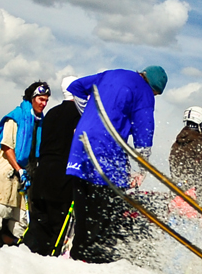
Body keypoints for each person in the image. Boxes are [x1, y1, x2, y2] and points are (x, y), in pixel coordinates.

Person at [65, 67, 166, 263]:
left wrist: (88, 115)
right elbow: (144, 133)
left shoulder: (109, 74)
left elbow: (75, 87)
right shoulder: (144, 93)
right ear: (154, 88)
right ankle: (95, 267)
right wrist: (142, 169)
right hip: (107, 152)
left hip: (79, 148)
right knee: (104, 220)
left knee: (83, 217)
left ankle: (76, 261)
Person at [0, 81, 49, 245]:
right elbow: (6, 146)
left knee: (18, 227)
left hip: (22, 182)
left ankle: (5, 262)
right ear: (32, 98)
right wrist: (19, 169)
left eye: (46, 100)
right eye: (40, 99)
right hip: (5, 176)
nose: (43, 104)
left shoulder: (38, 122)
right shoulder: (16, 117)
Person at [25, 84, 84, 256]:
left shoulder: (50, 113)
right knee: (57, 229)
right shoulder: (78, 115)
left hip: (41, 175)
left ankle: (25, 261)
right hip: (62, 179)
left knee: (37, 226)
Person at [170, 107, 202, 202]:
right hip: (193, 199)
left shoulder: (176, 145)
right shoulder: (200, 145)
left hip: (176, 196)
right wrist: (201, 200)